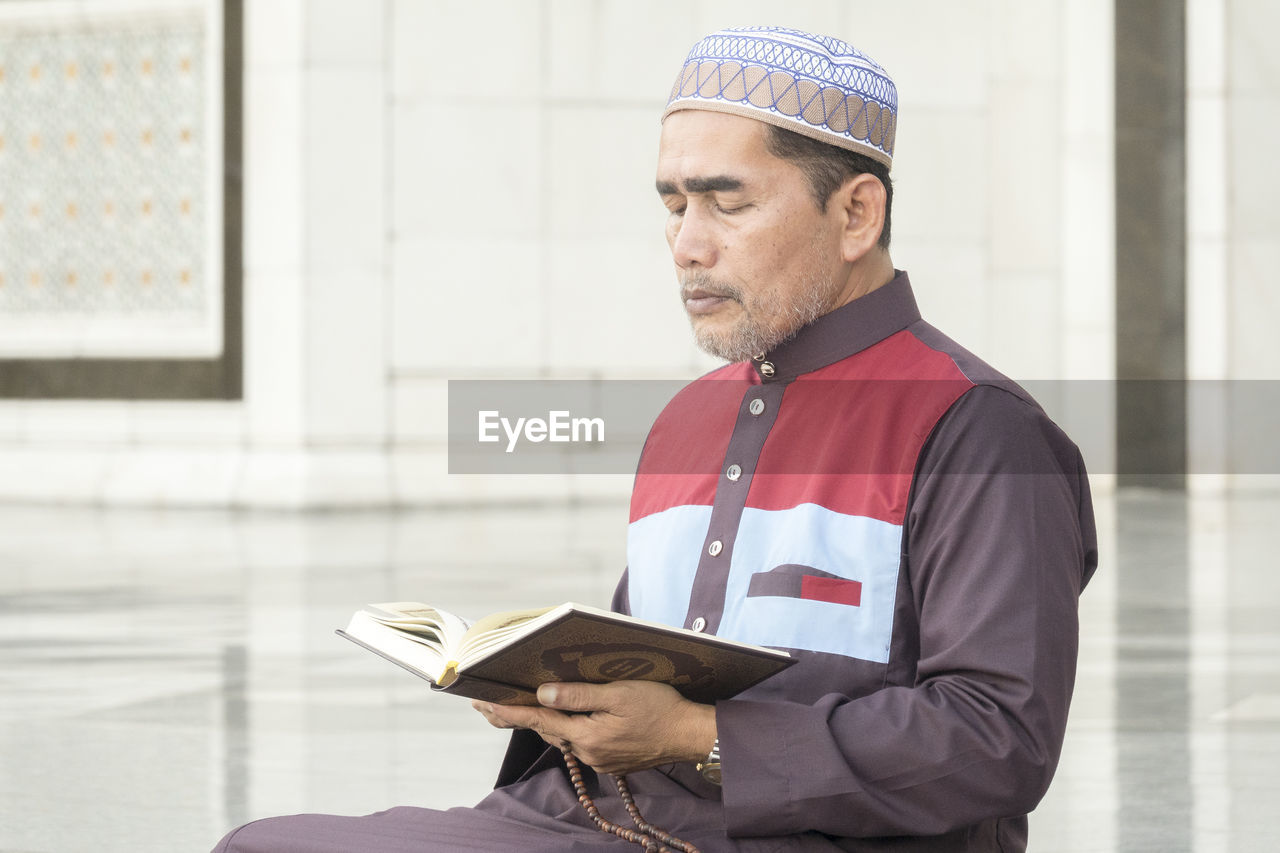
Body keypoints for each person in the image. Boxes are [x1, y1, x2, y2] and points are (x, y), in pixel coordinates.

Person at [213, 25, 1097, 853]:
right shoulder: (689, 418)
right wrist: (555, 693)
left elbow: (998, 737)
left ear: (857, 214)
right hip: (591, 815)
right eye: (673, 204)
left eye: (726, 202)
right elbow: (657, 663)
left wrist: (703, 739)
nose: (685, 243)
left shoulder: (980, 429)